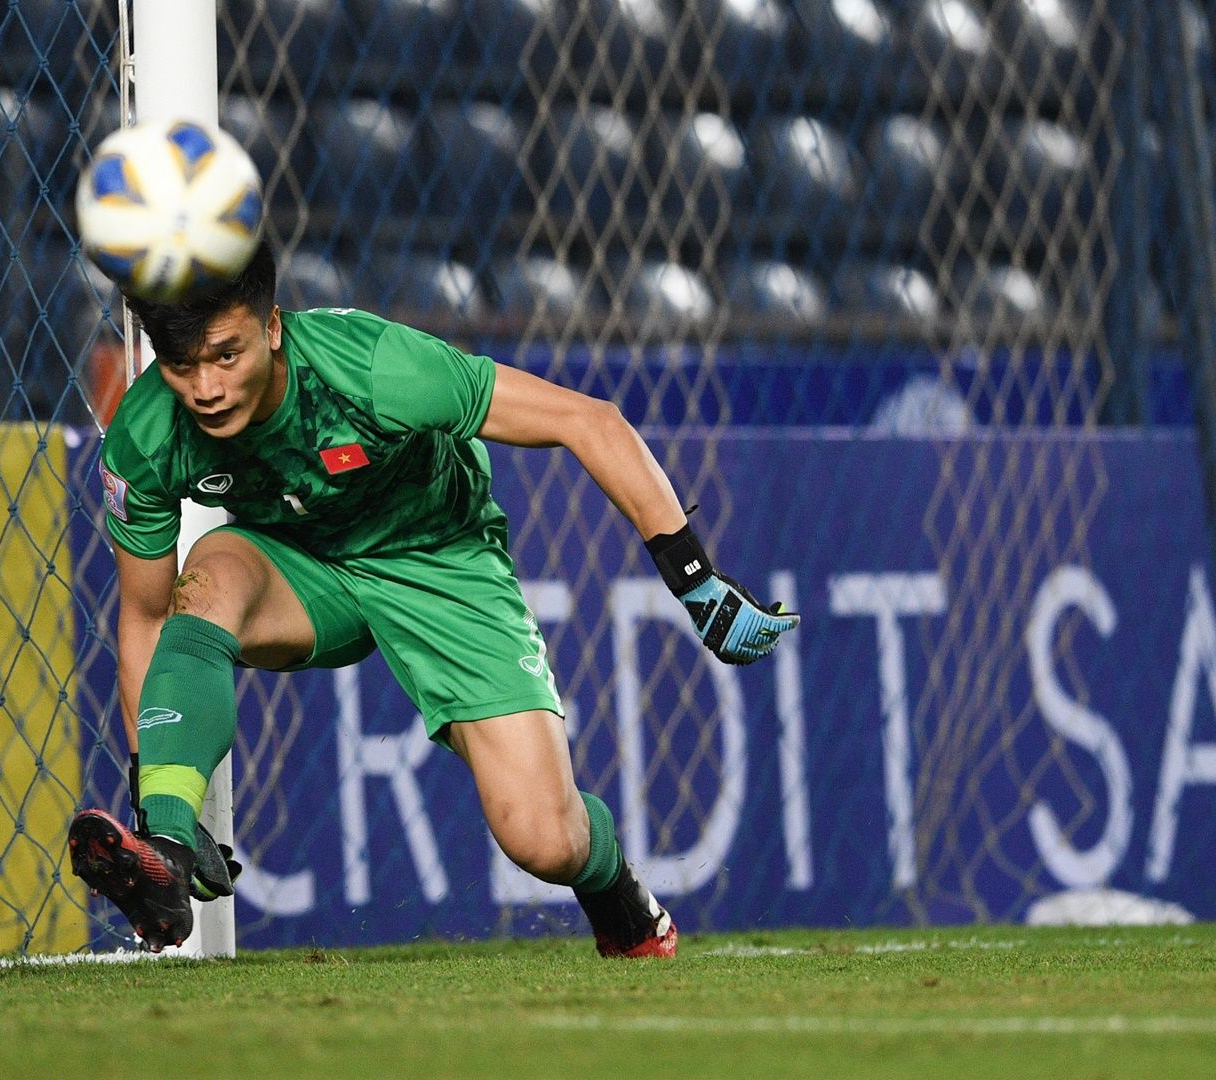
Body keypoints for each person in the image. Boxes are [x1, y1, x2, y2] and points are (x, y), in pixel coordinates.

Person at [68, 244, 796, 956]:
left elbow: (589, 420)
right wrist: (151, 785)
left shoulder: (375, 368)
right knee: (208, 579)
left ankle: (613, 889)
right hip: (297, 566)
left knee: (541, 838)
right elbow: (146, 616)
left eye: (227, 354)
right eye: (183, 365)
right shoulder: (148, 434)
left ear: (273, 327)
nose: (206, 388)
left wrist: (696, 581)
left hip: (439, 558)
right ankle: (162, 849)